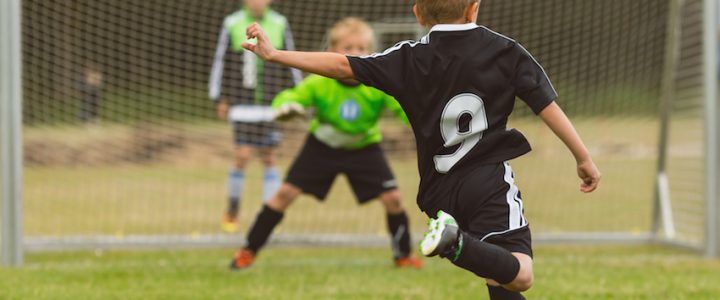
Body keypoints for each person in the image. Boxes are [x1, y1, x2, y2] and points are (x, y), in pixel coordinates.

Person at [240, 0, 602, 298]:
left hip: (437, 189)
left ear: (417, 13)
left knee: (498, 275)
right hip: (487, 181)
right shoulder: (505, 51)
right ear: (474, 8)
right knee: (520, 272)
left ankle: (453, 239)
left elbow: (339, 64)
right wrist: (582, 157)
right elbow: (546, 106)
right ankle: (454, 241)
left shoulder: (408, 57)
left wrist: (275, 55)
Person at [229, 17, 422, 270]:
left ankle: (403, 256)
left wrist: (423, 123)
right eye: (348, 48)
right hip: (321, 146)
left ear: (371, 51)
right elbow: (288, 98)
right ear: (332, 51)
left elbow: (407, 110)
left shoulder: (378, 84)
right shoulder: (320, 81)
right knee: (283, 195)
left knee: (394, 199)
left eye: (362, 48)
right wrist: (285, 108)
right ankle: (248, 251)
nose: (355, 54)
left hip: (364, 148)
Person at [209, 0, 301, 233]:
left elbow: (290, 59)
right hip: (242, 105)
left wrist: (295, 94)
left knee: (270, 157)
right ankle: (232, 210)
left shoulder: (280, 23)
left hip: (270, 106)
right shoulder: (232, 23)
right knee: (242, 155)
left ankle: (269, 216)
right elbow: (222, 61)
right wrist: (220, 97)